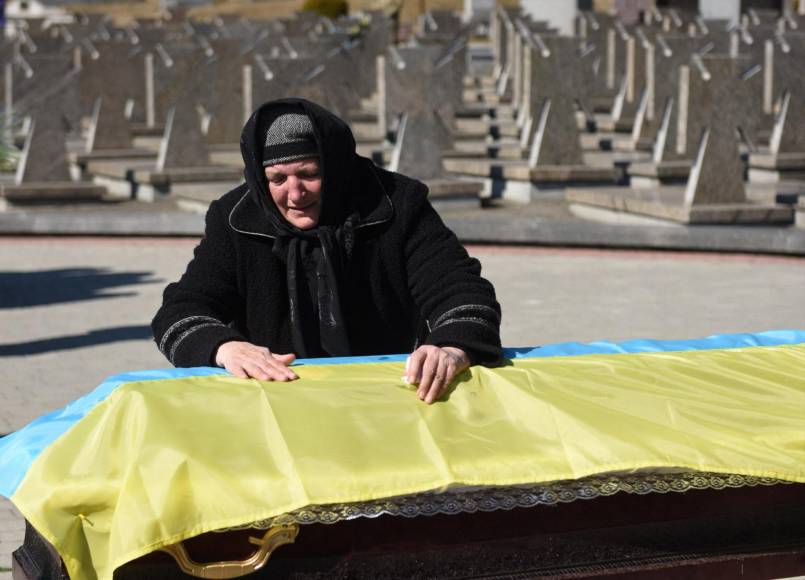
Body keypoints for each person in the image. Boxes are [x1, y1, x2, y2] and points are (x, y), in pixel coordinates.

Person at [152, 98, 502, 404]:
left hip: (392, 397)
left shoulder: (398, 204)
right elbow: (180, 312)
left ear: (336, 168)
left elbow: (461, 290)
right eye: (277, 179)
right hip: (274, 402)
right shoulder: (234, 219)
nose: (295, 193)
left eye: (309, 173)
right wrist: (224, 347)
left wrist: (451, 348)